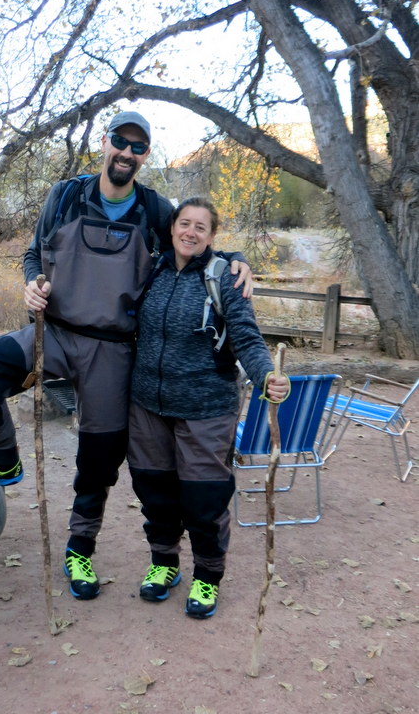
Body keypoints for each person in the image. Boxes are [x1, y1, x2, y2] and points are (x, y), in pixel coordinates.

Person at [0, 112, 253, 601]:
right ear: (104, 143)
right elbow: (32, 254)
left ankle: (79, 548)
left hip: (113, 351)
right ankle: (2, 457)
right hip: (56, 333)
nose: (127, 152)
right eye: (120, 141)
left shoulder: (155, 208)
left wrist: (238, 262)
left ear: (145, 155)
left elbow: (195, 244)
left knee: (98, 460)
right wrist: (31, 284)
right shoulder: (65, 196)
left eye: (138, 146)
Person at [127, 196, 289, 619]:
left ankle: (207, 575)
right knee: (155, 493)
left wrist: (266, 375)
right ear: (172, 227)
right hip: (148, 405)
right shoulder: (152, 272)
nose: (190, 232)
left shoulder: (225, 279)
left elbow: (247, 338)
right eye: (184, 223)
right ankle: (163, 564)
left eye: (201, 227)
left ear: (212, 236)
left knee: (204, 498)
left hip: (206, 407)